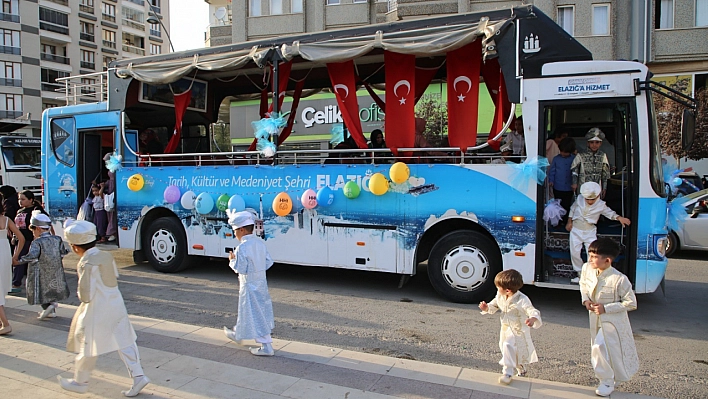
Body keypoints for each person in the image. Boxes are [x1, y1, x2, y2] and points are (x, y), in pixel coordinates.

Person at [59, 219, 150, 396]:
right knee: (125, 341)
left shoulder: (86, 263)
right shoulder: (106, 256)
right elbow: (113, 276)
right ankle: (138, 375)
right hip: (116, 304)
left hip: (97, 309)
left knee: (88, 346)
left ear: (76, 247)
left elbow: (85, 294)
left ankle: (80, 380)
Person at [579, 238, 638, 397]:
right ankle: (610, 376)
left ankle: (606, 380)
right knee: (600, 349)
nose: (589, 259)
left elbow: (631, 303)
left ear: (607, 260)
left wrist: (606, 308)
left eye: (594, 256)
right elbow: (583, 284)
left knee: (600, 347)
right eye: (589, 255)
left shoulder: (619, 279)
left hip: (612, 322)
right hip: (594, 319)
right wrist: (585, 300)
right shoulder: (587, 268)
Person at [223, 210, 275, 356]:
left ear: (241, 229)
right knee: (255, 311)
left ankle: (266, 346)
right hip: (261, 282)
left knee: (254, 312)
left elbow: (241, 269)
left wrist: (232, 260)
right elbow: (268, 262)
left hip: (248, 284)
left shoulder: (242, 248)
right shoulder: (260, 243)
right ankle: (237, 333)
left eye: (235, 231)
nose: (235, 235)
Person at [479, 269, 542, 385]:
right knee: (506, 349)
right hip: (505, 328)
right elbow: (494, 305)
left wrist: (532, 319)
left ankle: (507, 373)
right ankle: (520, 367)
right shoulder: (500, 295)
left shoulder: (522, 299)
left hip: (518, 329)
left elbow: (532, 310)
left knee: (508, 345)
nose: (497, 289)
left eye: (499, 287)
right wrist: (486, 308)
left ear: (507, 290)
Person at [566, 182, 631, 284]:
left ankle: (590, 275)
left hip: (589, 231)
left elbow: (610, 213)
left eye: (592, 199)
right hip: (576, 229)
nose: (590, 201)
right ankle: (580, 274)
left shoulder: (601, 205)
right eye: (587, 199)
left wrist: (619, 218)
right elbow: (572, 209)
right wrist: (569, 222)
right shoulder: (579, 199)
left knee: (592, 254)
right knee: (574, 252)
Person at [17, 211, 70, 319]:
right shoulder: (57, 239)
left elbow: (32, 256)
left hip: (39, 270)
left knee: (40, 290)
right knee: (52, 288)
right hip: (55, 269)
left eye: (33, 230)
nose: (33, 233)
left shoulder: (37, 242)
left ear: (38, 228)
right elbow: (63, 252)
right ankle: (52, 311)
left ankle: (47, 307)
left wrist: (19, 260)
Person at [11, 190, 49, 293]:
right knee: (18, 260)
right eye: (19, 199)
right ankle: (16, 283)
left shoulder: (36, 210)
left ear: (31, 200)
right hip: (20, 240)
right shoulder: (20, 211)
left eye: (23, 199)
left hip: (31, 240)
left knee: (32, 262)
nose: (20, 201)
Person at [0, 193, 24, 334]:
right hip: (5, 254)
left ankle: (6, 324)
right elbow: (20, 238)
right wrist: (15, 256)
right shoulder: (7, 219)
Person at [571, 128, 610, 198]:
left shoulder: (603, 155)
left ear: (600, 143)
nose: (594, 145)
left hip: (597, 187)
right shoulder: (580, 155)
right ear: (588, 143)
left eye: (597, 142)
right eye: (592, 142)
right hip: (583, 186)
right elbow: (574, 170)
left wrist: (604, 187)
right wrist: (574, 183)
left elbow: (605, 174)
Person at [548, 137, 577, 223]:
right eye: (562, 151)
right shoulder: (556, 159)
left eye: (566, 152)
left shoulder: (574, 159)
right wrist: (551, 180)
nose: (563, 153)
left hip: (569, 187)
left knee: (567, 204)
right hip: (557, 186)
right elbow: (552, 171)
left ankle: (566, 221)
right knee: (558, 204)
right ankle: (558, 221)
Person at [103, 154, 118, 242]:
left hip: (113, 189)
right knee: (110, 210)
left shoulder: (115, 168)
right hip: (110, 188)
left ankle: (113, 232)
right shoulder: (111, 167)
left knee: (112, 211)